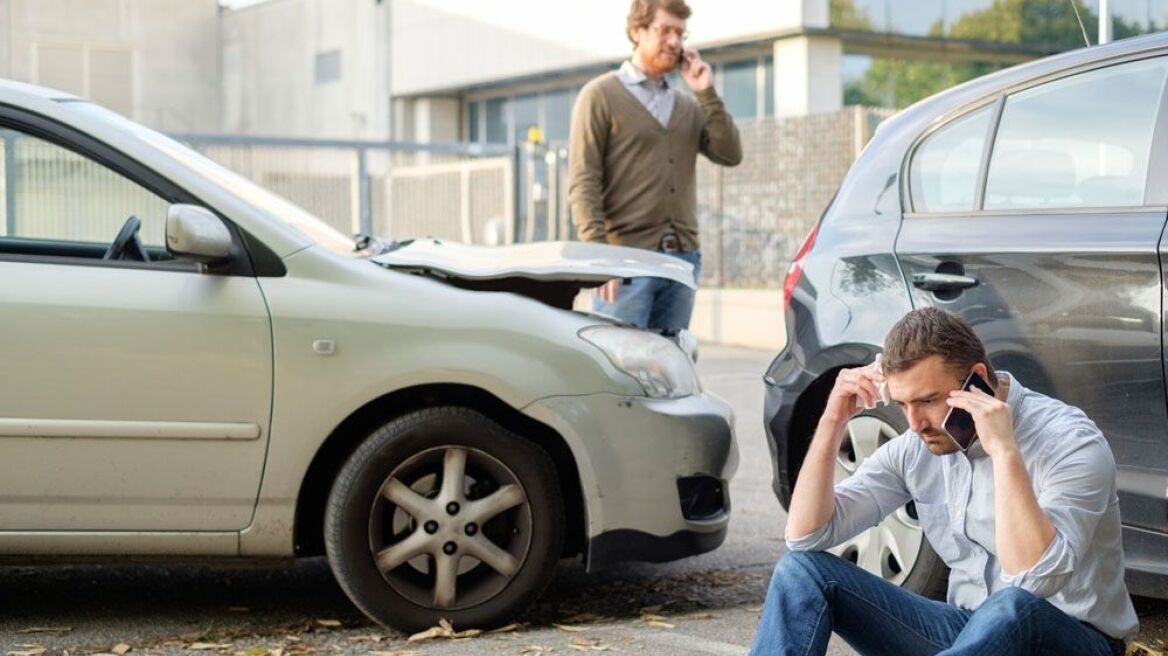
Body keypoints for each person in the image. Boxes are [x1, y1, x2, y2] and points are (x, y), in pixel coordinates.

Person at [750, 307, 1137, 656]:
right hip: (967, 632)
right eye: (903, 404)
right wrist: (833, 419)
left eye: (929, 400)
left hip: (1071, 639)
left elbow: (1034, 578)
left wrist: (1004, 452)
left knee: (1011, 606)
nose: (915, 423)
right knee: (800, 571)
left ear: (977, 381)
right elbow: (806, 536)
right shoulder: (917, 448)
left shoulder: (1069, 440)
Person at [568, 0, 742, 332]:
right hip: (625, 261)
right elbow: (583, 180)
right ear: (637, 31)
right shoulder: (600, 95)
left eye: (680, 32)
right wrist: (599, 257)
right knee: (619, 369)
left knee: (668, 370)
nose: (675, 42)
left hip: (683, 259)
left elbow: (730, 153)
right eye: (664, 30)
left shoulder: (687, 106)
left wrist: (705, 92)